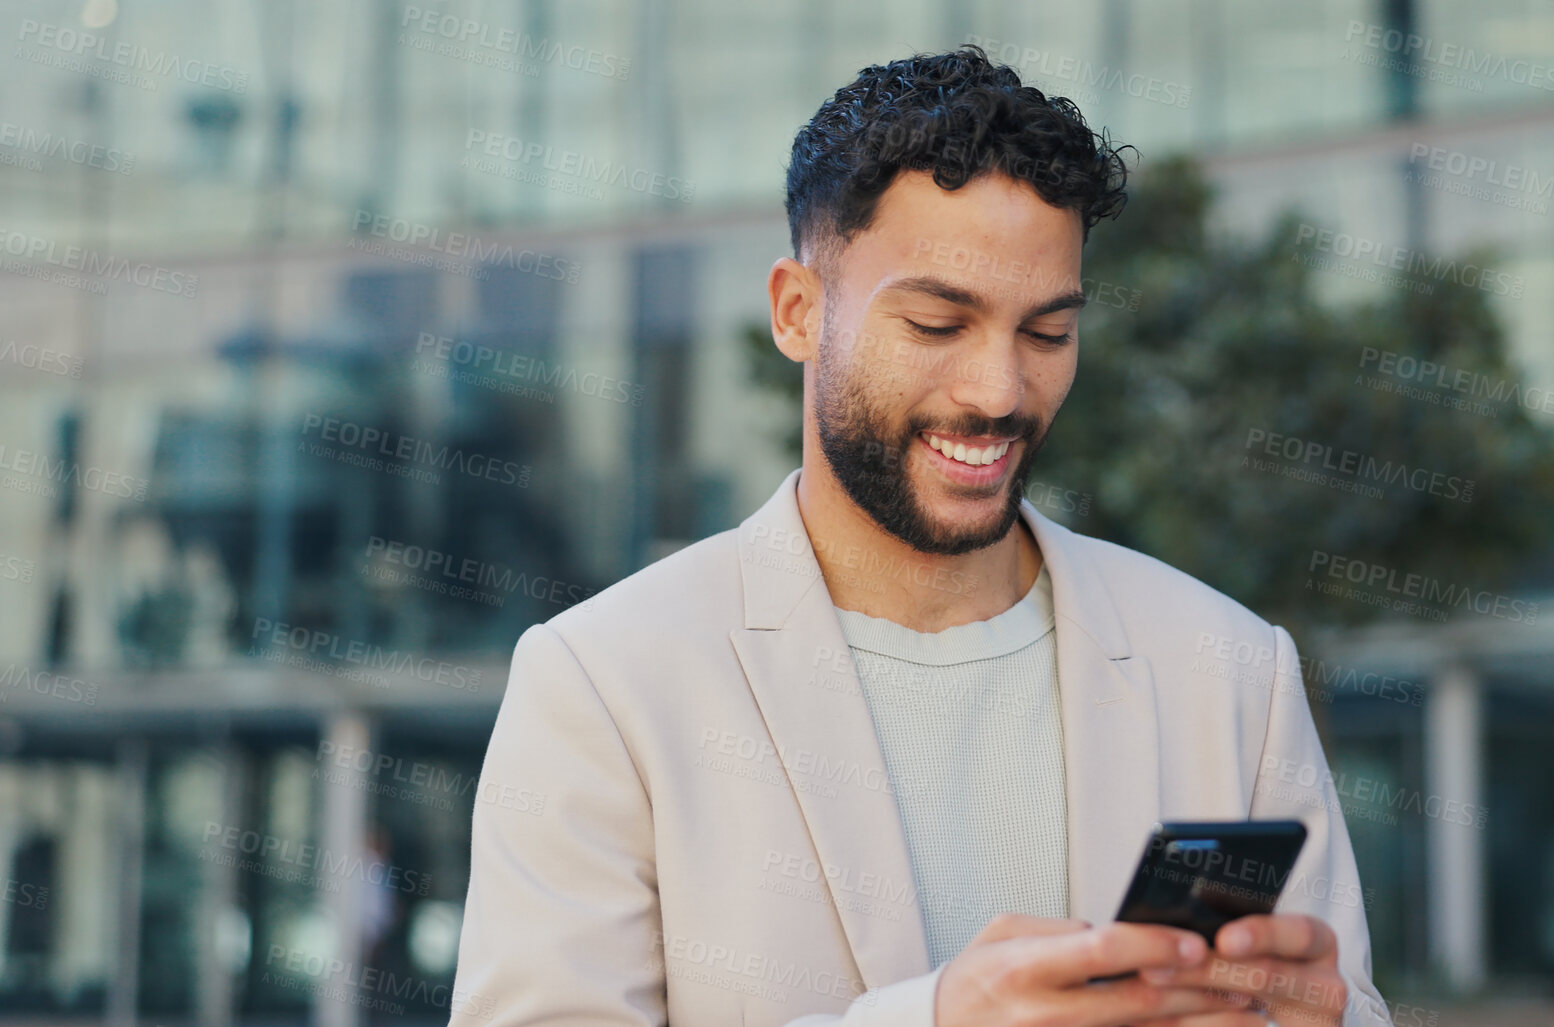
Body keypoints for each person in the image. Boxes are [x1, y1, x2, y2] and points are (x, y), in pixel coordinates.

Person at [449, 45, 1391, 1027]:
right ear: (797, 312)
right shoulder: (603, 681)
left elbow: (1342, 1004)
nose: (1000, 391)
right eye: (940, 323)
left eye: (1047, 333)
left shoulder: (1232, 669)